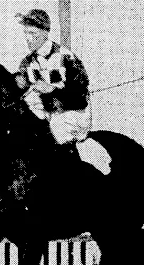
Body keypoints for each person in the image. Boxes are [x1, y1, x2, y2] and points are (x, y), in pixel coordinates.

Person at [15, 9, 109, 174]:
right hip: (45, 115)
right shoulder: (26, 63)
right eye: (26, 33)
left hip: (72, 114)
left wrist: (52, 90)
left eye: (32, 33)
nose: (28, 38)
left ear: (45, 33)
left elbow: (80, 98)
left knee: (56, 129)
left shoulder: (67, 57)